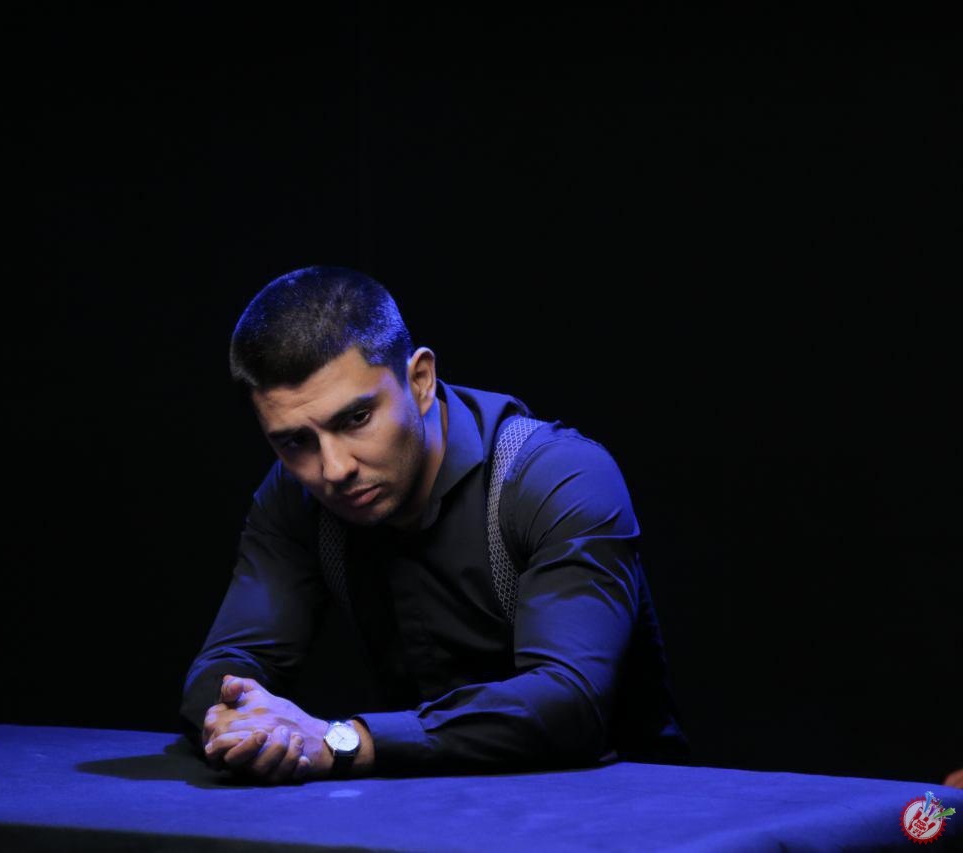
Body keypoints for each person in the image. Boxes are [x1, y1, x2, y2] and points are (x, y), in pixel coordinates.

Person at [179, 265, 689, 784]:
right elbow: (227, 664)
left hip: (621, 804)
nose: (333, 469)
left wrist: (342, 742)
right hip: (425, 805)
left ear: (420, 380)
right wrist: (238, 718)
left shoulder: (556, 476)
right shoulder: (297, 496)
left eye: (356, 419)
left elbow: (570, 701)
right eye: (295, 441)